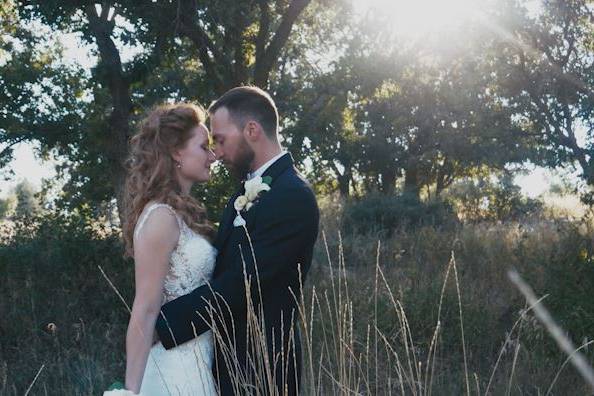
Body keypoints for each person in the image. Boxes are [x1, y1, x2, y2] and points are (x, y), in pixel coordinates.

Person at [154, 86, 320, 395]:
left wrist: (160, 324)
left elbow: (241, 284)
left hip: (265, 370)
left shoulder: (293, 195)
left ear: (252, 130)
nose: (216, 152)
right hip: (225, 363)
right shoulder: (243, 193)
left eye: (220, 139)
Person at [119, 103, 218, 395]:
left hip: (200, 364)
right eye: (204, 147)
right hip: (178, 374)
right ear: (176, 152)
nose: (212, 156)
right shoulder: (161, 217)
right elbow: (145, 309)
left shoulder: (180, 214)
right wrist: (130, 392)